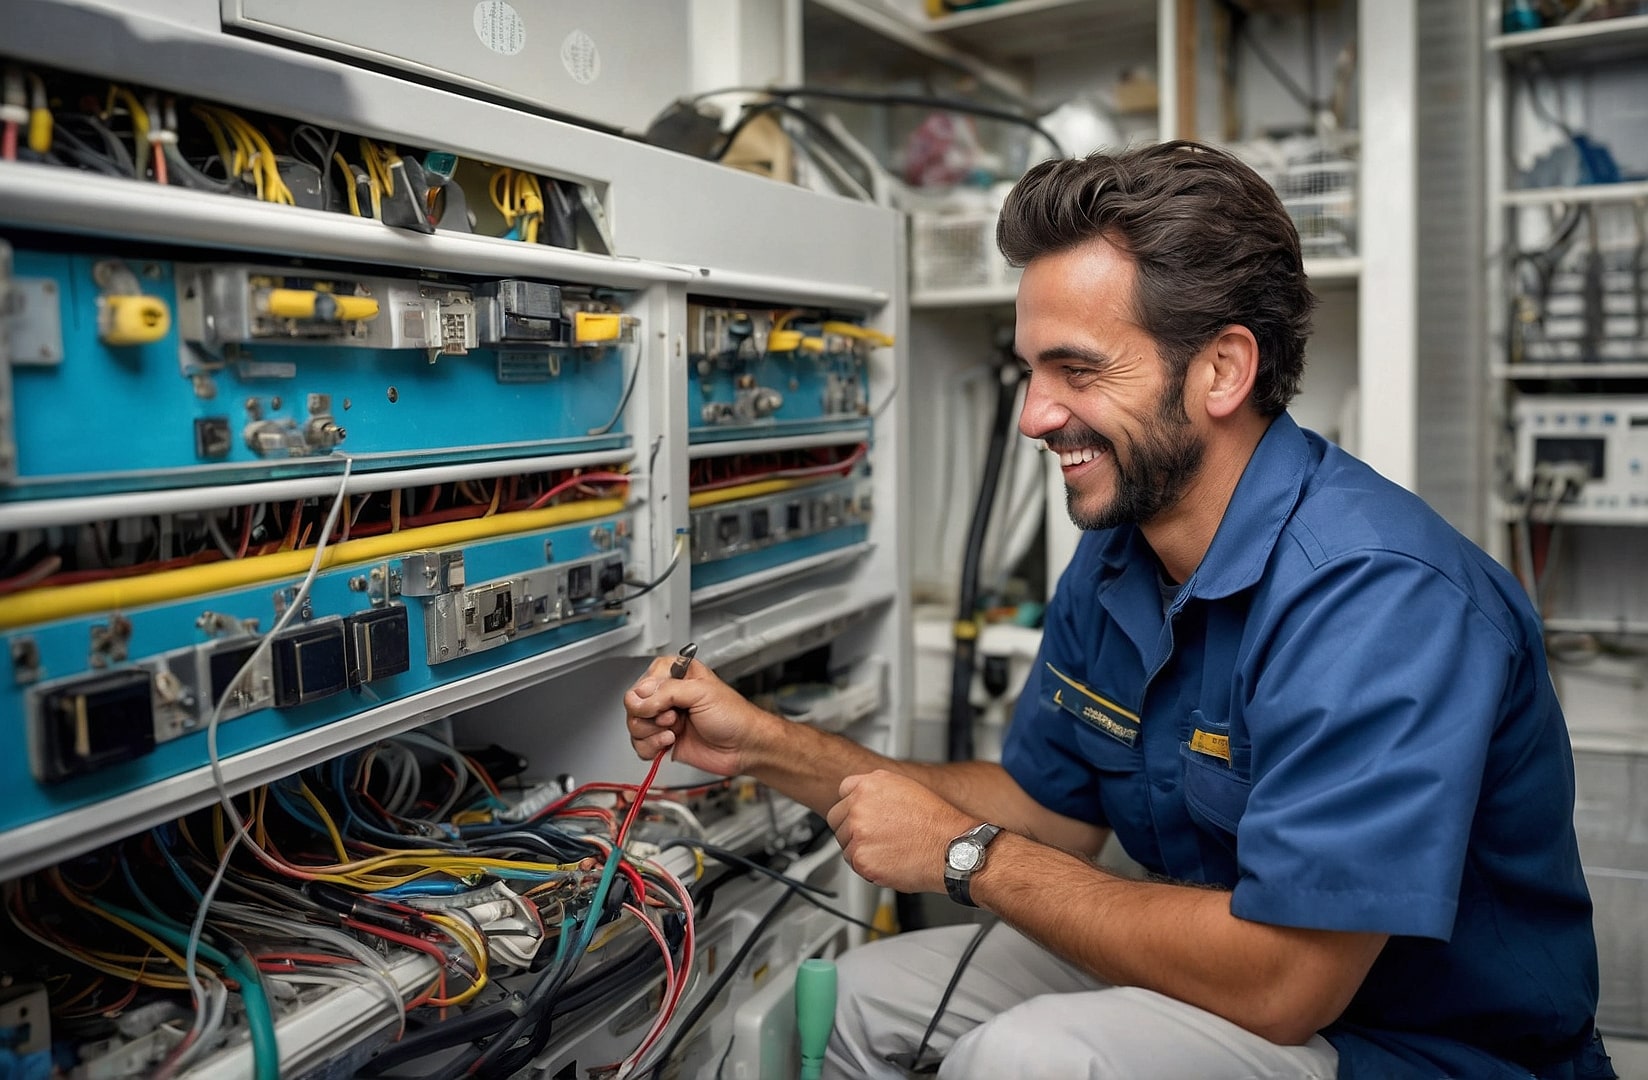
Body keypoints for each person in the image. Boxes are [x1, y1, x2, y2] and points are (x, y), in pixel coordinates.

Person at [624, 141, 1616, 1080]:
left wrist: (964, 857)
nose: (1032, 416)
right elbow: (1051, 819)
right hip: (1220, 966)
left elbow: (1283, 984)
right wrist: (763, 745)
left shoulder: (1378, 596)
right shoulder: (1118, 556)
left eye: (1078, 370)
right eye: (1030, 370)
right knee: (847, 1001)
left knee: (1032, 1063)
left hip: (1416, 1045)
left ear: (1221, 370)